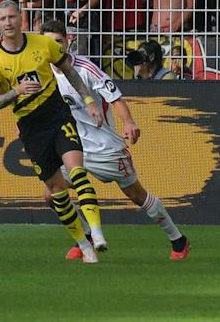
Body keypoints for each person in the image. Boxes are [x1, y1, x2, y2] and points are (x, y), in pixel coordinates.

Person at [40, 20, 190, 261]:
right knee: (52, 194)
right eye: (49, 42)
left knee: (136, 195)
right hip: (73, 147)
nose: (54, 46)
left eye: (58, 41)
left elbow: (115, 97)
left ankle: (178, 239)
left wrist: (129, 122)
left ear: (68, 41)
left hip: (105, 147)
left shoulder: (85, 69)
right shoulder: (42, 72)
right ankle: (86, 238)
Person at [0, 0, 106, 263]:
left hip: (57, 115)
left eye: (12, 17)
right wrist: (16, 91)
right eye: (3, 19)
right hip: (31, 126)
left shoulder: (43, 43)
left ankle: (97, 232)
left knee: (77, 169)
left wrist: (90, 101)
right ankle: (83, 244)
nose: (9, 23)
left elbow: (69, 72)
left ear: (21, 18)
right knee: (56, 189)